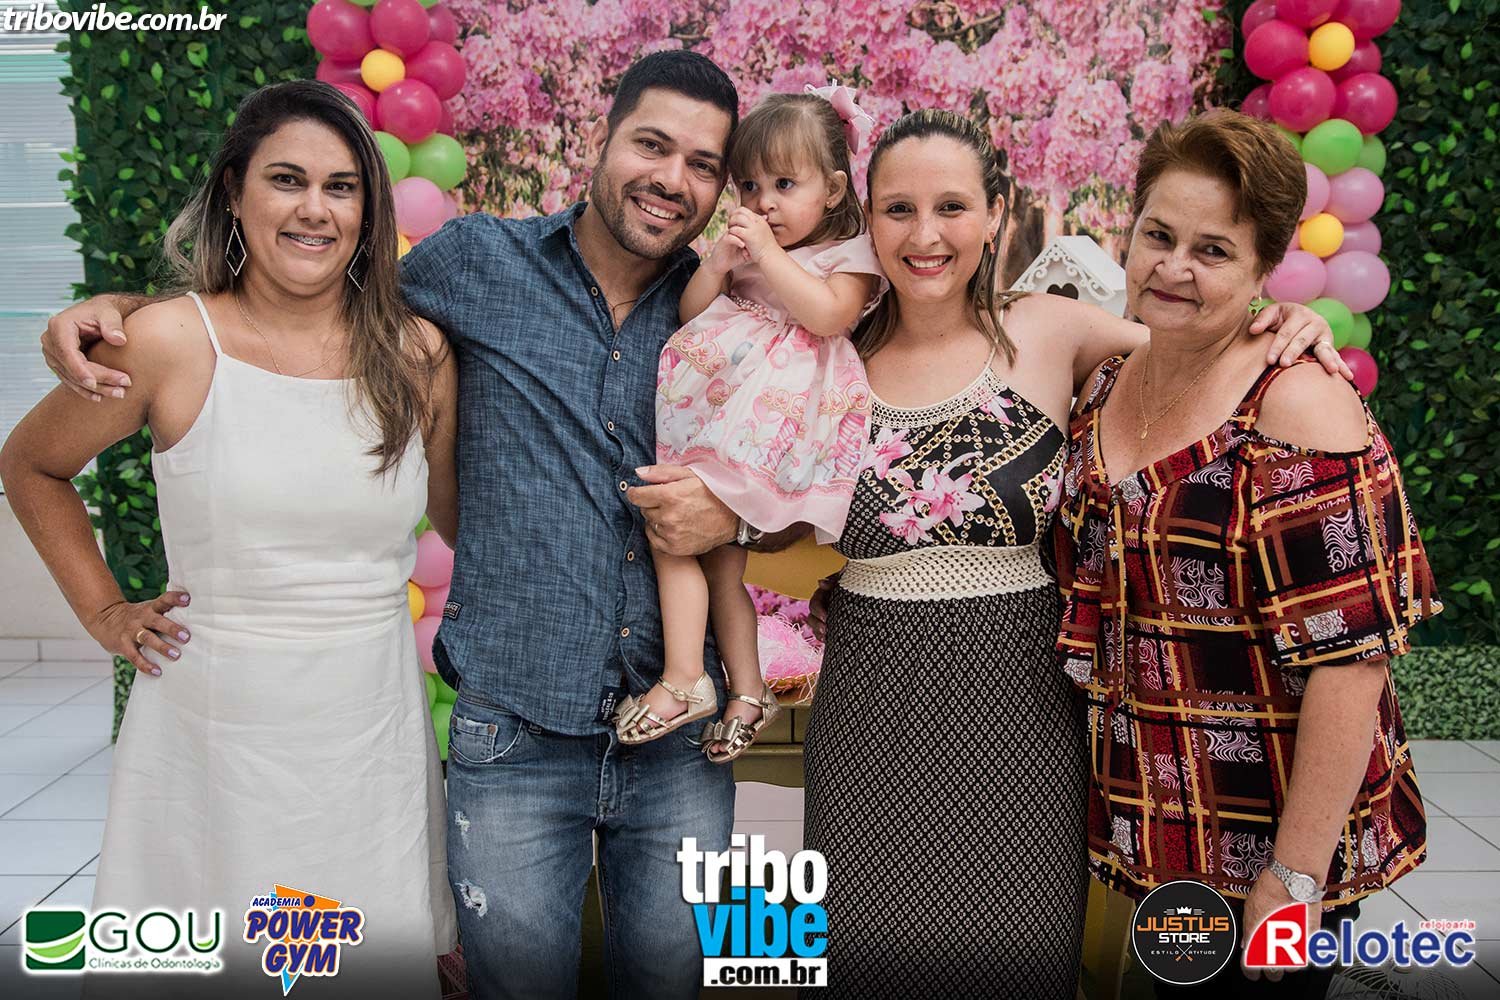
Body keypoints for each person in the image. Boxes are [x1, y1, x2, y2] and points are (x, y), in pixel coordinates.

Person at [40, 51, 752, 1000]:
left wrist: (738, 511)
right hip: (513, 733)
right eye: (651, 145)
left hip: (670, 733)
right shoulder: (477, 264)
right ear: (603, 138)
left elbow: (814, 459)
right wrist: (125, 315)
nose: (671, 178)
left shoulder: (739, 311)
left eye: (702, 163)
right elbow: (295, 298)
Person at [802, 109, 1347, 999]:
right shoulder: (819, 355)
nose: (925, 234)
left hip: (1022, 709)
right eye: (898, 209)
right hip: (871, 701)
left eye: (952, 206)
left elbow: (1207, 353)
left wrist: (1287, 321)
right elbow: (755, 506)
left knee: (1018, 955)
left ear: (995, 213)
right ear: (869, 219)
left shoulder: (1051, 330)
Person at [2, 81, 458, 997]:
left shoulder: (417, 354)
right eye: (286, 180)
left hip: (367, 727)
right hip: (214, 730)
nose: (314, 208)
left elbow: (462, 521)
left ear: (368, 212)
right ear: (234, 196)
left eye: (341, 187)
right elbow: (31, 465)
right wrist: (103, 613)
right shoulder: (167, 340)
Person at [1052, 111, 1440, 997]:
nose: (1173, 268)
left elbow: (1354, 663)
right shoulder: (1108, 382)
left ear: (1266, 267)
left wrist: (1293, 881)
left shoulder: (1298, 409)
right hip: (1161, 820)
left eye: (1214, 251)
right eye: (1159, 236)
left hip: (1271, 840)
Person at [619, 87, 885, 763]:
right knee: (697, 552)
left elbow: (827, 315)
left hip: (776, 424)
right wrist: (718, 264)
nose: (763, 202)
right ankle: (742, 690)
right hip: (715, 412)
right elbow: (690, 311)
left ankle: (685, 678)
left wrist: (766, 256)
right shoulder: (747, 249)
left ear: (832, 190)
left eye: (784, 185)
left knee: (681, 538)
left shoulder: (849, 254)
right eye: (749, 186)